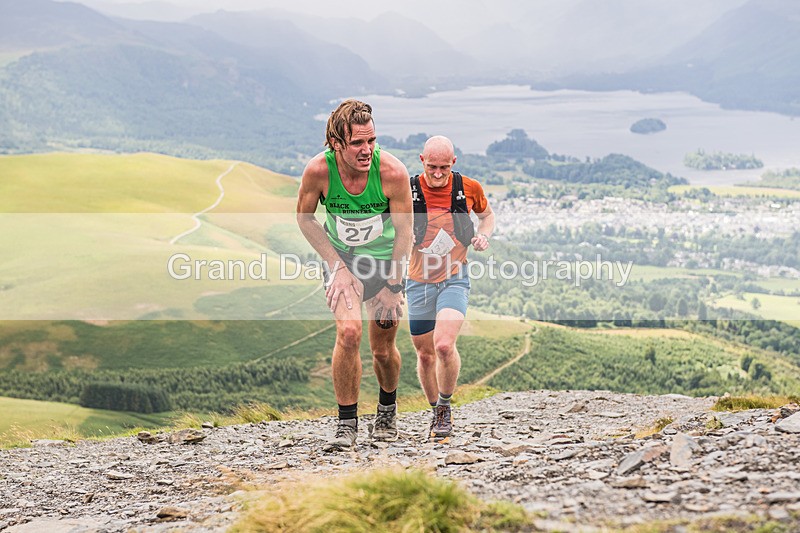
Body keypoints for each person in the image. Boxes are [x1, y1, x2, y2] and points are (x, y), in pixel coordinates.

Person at [296, 99, 412, 451]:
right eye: (358, 143)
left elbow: (405, 232)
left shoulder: (392, 173)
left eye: (372, 141)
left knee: (382, 350)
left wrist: (394, 286)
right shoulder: (319, 171)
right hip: (342, 259)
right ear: (336, 143)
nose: (367, 150)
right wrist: (337, 267)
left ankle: (387, 410)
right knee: (348, 332)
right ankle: (347, 424)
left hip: (384, 262)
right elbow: (304, 218)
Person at [407, 135, 495, 442]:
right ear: (422, 161)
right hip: (417, 281)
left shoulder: (469, 188)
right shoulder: (407, 191)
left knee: (443, 345)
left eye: (444, 167)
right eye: (432, 167)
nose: (438, 173)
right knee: (425, 353)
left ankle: (444, 409)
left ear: (453, 163)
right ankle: (434, 410)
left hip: (454, 277)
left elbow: (487, 216)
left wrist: (483, 236)